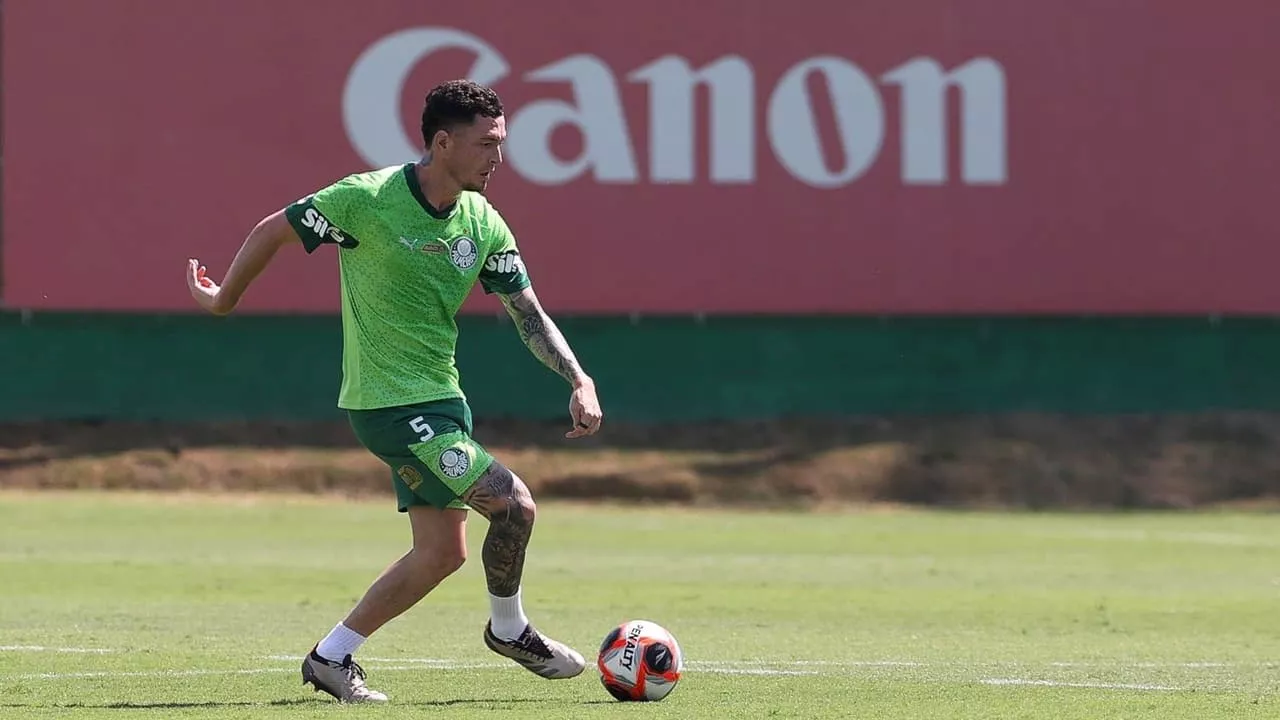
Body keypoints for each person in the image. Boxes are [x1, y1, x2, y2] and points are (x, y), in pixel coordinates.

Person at [185, 79, 603, 703]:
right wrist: (222, 301)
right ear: (442, 142)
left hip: (441, 404)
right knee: (513, 504)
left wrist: (578, 377)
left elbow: (528, 313)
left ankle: (331, 658)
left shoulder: (482, 221)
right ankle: (509, 629)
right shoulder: (367, 199)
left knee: (441, 555)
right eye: (487, 143)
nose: (499, 156)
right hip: (388, 405)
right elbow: (274, 229)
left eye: (503, 142)